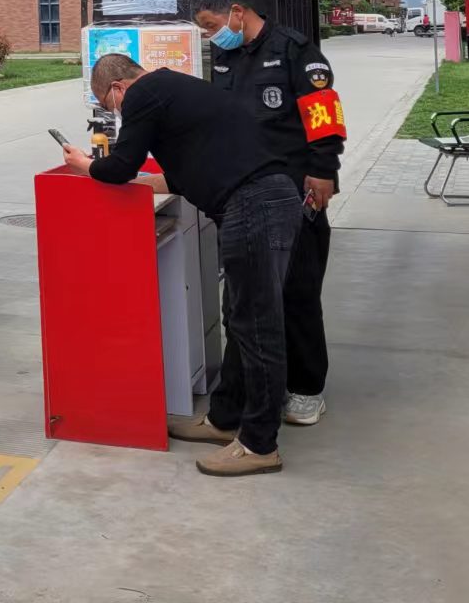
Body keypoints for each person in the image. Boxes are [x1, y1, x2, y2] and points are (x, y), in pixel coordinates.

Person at [60, 52, 302, 477]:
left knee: (257, 326)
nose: (113, 112)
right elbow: (190, 166)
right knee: (240, 319)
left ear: (117, 87)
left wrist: (85, 165)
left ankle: (259, 444)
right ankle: (224, 419)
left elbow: (120, 166)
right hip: (264, 200)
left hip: (255, 206)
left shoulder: (143, 92)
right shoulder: (173, 87)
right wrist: (143, 183)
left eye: (107, 104)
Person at [191, 0, 346, 429]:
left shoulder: (295, 52)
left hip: (296, 188)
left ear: (237, 13)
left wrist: (323, 170)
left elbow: (324, 115)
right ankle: (249, 393)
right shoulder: (226, 58)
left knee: (297, 292)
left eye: (212, 25)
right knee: (244, 302)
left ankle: (307, 388)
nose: (211, 35)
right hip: (245, 194)